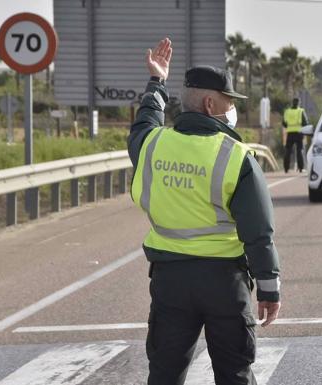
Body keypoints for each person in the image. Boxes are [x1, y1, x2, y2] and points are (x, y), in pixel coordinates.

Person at [127, 37, 281, 385]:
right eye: (230, 101)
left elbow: (143, 124)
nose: (232, 108)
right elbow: (258, 231)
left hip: (169, 281)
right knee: (234, 375)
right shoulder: (235, 156)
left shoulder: (153, 144)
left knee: (164, 374)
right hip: (224, 282)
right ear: (211, 103)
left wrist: (157, 83)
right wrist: (270, 288)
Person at [282, 98, 309, 173]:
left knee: (288, 151)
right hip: (299, 133)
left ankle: (286, 168)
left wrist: (289, 126)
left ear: (292, 103)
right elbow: (305, 123)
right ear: (298, 103)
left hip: (290, 133)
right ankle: (301, 168)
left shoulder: (287, 111)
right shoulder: (300, 111)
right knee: (299, 150)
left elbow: (284, 123)